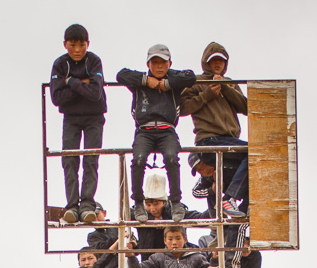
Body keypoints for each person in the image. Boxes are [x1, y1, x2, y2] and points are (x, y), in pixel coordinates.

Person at [118, 45, 197, 222]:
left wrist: (167, 84)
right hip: (144, 130)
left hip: (167, 129)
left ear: (170, 63)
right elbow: (121, 74)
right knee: (138, 160)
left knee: (171, 157)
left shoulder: (174, 80)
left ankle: (176, 201)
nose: (159, 66)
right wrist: (147, 81)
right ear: (148, 64)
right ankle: (138, 202)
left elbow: (190, 76)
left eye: (163, 62)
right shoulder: (140, 81)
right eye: (155, 62)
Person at [180, 41, 249, 216]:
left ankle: (238, 210)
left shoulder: (230, 83)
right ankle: (230, 199)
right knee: (251, 152)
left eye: (221, 60)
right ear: (206, 62)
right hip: (209, 139)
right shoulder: (196, 82)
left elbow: (246, 107)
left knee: (255, 161)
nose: (217, 64)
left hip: (229, 140)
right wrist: (207, 95)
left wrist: (225, 88)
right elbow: (183, 108)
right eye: (213, 60)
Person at [50, 23, 107, 224]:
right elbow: (57, 98)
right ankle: (72, 206)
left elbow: (95, 93)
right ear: (65, 44)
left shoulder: (94, 61)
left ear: (88, 44)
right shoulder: (60, 64)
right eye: (72, 45)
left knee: (91, 160)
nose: (77, 50)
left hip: (94, 117)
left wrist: (70, 82)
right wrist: (82, 83)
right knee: (70, 160)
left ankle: (87, 205)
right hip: (71, 119)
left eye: (81, 45)